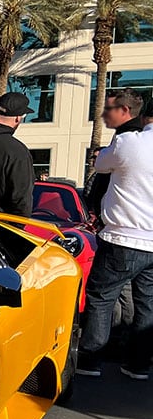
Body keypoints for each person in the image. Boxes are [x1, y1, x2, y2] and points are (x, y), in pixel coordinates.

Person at [76, 98, 153, 380]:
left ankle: (90, 359)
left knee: (101, 296)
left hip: (123, 235)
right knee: (148, 302)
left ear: (144, 117)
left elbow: (102, 165)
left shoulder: (129, 142)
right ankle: (138, 364)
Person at [87, 89, 145, 218]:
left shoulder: (126, 140)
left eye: (108, 109)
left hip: (122, 224)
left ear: (124, 110)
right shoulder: (126, 136)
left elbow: (101, 167)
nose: (103, 115)